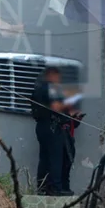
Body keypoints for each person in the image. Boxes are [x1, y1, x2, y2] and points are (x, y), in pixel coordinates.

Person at [31, 66, 72, 195]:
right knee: (56, 158)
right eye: (58, 77)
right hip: (53, 126)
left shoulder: (38, 89)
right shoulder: (52, 88)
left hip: (41, 126)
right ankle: (56, 188)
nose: (59, 80)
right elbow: (56, 107)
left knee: (44, 158)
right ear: (51, 75)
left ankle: (43, 188)